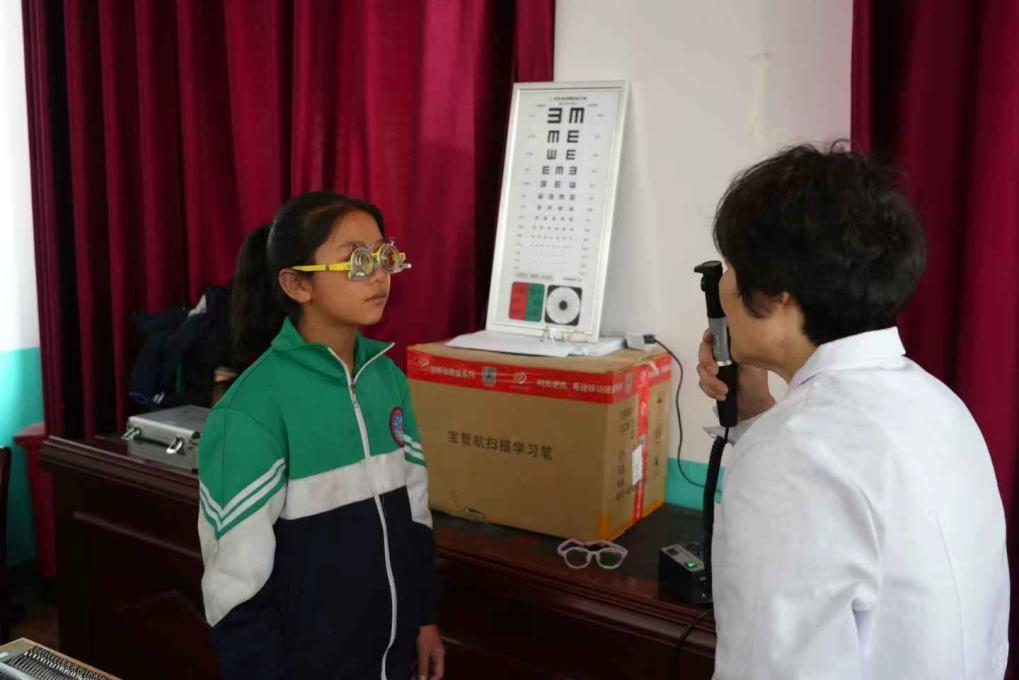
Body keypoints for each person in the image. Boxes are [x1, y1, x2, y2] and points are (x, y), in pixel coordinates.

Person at [695, 144, 1009, 678]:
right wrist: (757, 413)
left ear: (776, 295)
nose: (723, 287)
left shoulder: (790, 458)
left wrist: (769, 435)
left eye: (731, 268)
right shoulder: (939, 402)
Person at [197, 191, 444, 679]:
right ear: (297, 284)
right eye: (356, 260)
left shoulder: (387, 379)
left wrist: (424, 616)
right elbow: (234, 588)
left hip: (392, 659)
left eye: (382, 255)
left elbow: (414, 514)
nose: (379, 274)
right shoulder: (252, 410)